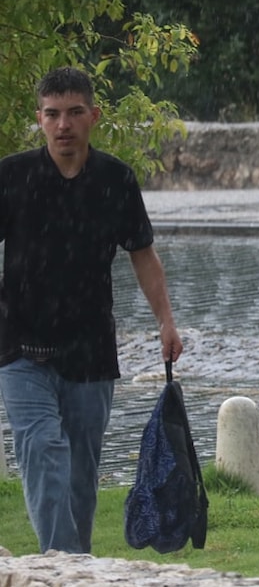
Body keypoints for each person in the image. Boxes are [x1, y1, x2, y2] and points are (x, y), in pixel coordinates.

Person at [0, 66, 184, 554]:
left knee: (81, 473)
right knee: (42, 451)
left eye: (74, 112)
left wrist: (165, 321)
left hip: (91, 348)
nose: (63, 125)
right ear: (39, 118)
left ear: (94, 116)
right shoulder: (11, 176)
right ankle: (63, 565)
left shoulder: (115, 180)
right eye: (52, 114)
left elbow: (142, 254)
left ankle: (74, 566)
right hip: (20, 346)